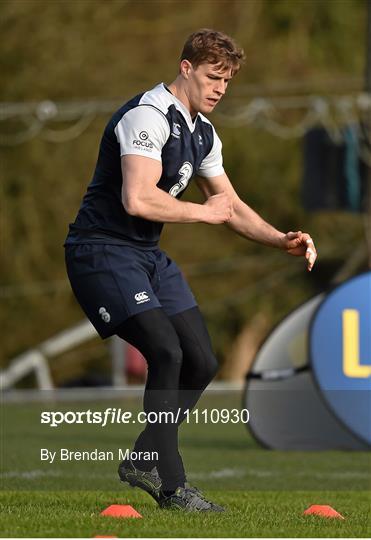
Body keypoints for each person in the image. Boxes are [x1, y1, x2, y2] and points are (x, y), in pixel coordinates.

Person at [64, 29, 317, 512]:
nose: (220, 87)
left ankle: (143, 457)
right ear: (185, 68)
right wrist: (204, 213)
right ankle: (172, 485)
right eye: (212, 76)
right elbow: (137, 198)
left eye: (227, 80)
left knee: (200, 360)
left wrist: (280, 238)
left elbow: (231, 205)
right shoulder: (147, 116)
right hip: (101, 251)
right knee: (165, 349)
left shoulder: (203, 132)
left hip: (147, 257)